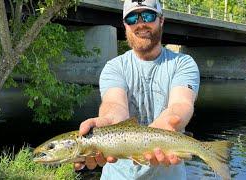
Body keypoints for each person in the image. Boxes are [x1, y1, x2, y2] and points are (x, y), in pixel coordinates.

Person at [74, 0, 200, 179]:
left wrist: (166, 125)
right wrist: (109, 119)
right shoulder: (114, 67)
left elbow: (182, 103)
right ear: (125, 24)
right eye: (132, 18)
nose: (140, 24)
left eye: (148, 16)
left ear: (161, 20)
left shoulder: (183, 63)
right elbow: (114, 104)